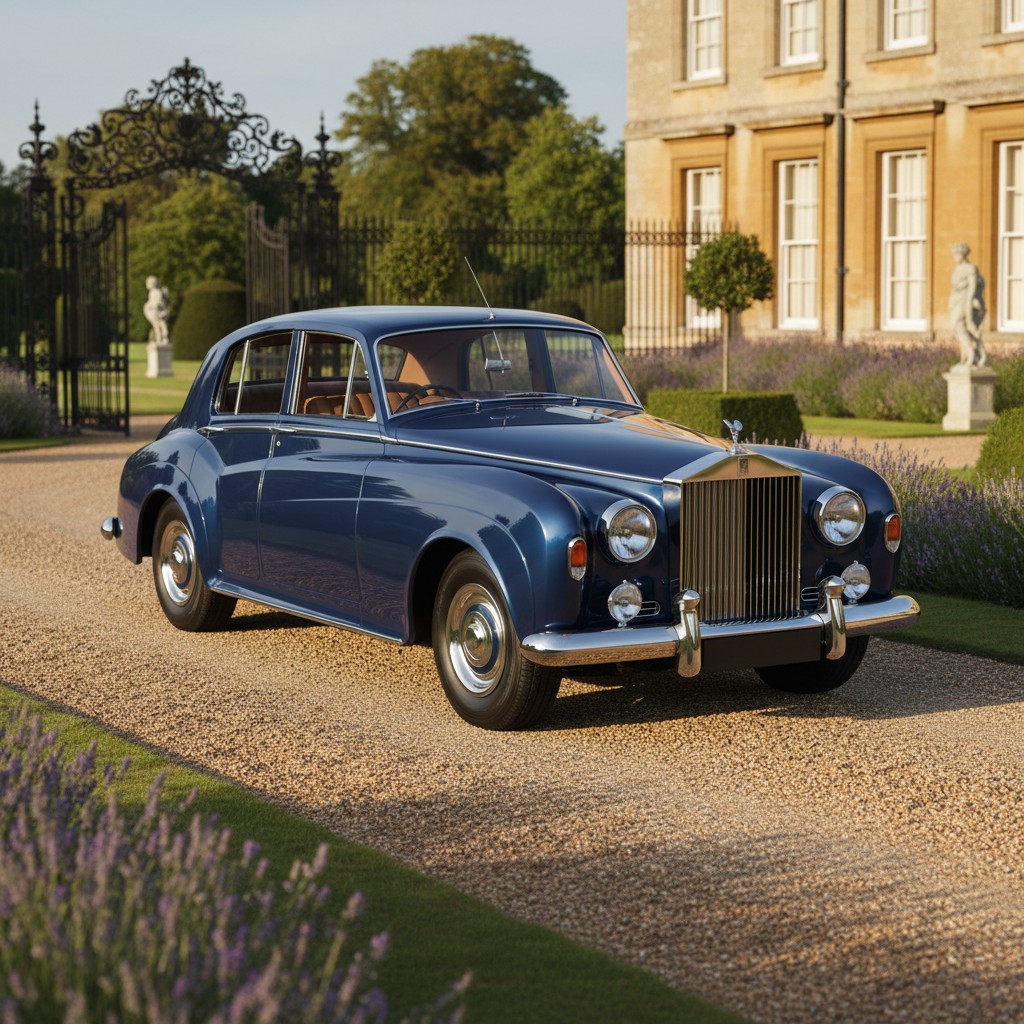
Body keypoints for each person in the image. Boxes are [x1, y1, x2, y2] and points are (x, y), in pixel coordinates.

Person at [948, 244, 987, 367]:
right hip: (955, 300)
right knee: (960, 329)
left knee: (961, 325)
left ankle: (972, 354)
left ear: (962, 255)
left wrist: (970, 303)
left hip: (966, 300)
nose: (954, 257)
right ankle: (968, 356)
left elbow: (972, 287)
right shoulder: (956, 269)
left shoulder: (971, 268)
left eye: (956, 254)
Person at [144, 275, 170, 346]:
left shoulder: (156, 292)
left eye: (147, 282)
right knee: (158, 325)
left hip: (158, 312)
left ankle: (162, 338)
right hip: (155, 312)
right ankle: (160, 338)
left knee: (160, 325)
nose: (146, 284)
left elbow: (158, 302)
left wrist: (149, 306)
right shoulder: (152, 292)